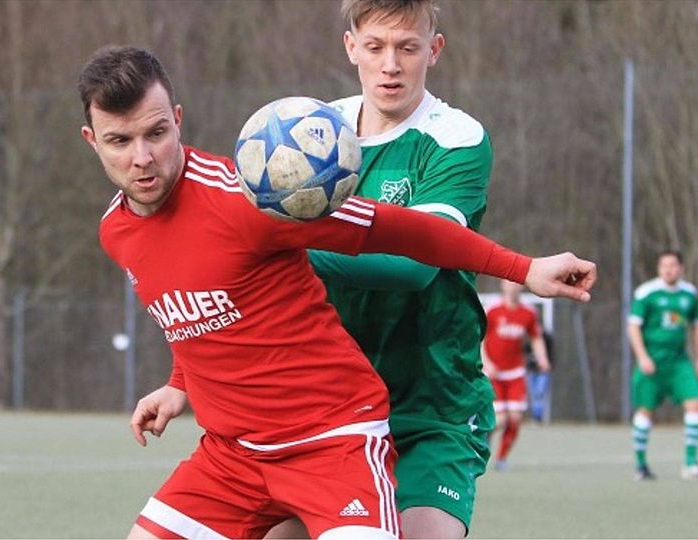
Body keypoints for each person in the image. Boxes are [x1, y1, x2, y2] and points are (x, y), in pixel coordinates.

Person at [80, 45, 595, 539]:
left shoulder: (255, 200)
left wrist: (523, 268)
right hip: (231, 459)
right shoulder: (115, 231)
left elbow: (406, 231)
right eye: (120, 141)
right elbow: (197, 306)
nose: (143, 158)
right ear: (92, 140)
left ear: (178, 118)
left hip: (332, 443)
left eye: (156, 133)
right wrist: (179, 383)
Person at [270, 0, 507, 537]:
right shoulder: (311, 134)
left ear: (435, 50)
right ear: (351, 46)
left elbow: (415, 264)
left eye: (408, 48)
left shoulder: (456, 138)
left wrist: (288, 244)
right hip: (326, 404)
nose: (391, 65)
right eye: (375, 47)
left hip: (431, 402)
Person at [627, 250, 698, 481]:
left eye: (672, 265)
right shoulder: (646, 293)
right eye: (663, 265)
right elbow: (633, 327)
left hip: (679, 361)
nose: (668, 269)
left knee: (696, 406)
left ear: (681, 267)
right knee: (645, 411)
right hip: (652, 361)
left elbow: (697, 325)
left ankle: (691, 464)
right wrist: (643, 357)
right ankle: (641, 465)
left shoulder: (689, 294)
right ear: (658, 268)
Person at [481, 279, 550, 471]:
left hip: (516, 373)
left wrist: (542, 358)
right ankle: (484, 438)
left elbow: (536, 338)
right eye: (508, 283)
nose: (512, 286)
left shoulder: (528, 313)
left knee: (515, 419)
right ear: (502, 285)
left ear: (521, 286)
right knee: (500, 420)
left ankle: (502, 459)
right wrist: (487, 363)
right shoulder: (492, 310)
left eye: (516, 283)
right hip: (494, 373)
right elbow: (480, 338)